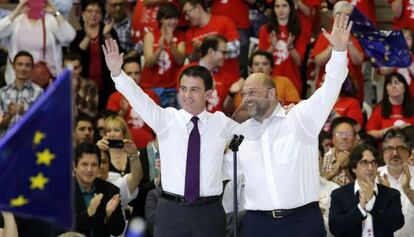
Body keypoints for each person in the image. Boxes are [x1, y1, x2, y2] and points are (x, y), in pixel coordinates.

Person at [232, 12, 352, 236]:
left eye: (253, 93)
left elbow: (330, 88)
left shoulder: (300, 118)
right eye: (244, 93)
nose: (246, 98)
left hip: (302, 221)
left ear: (271, 93)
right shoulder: (240, 135)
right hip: (258, 224)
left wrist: (338, 52)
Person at [103, 38, 235, 236]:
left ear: (208, 94)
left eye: (194, 89)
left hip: (210, 211)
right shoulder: (166, 119)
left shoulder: (221, 122)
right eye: (183, 89)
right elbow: (139, 99)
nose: (187, 95)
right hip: (171, 210)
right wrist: (117, 73)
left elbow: (252, 137)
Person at [329, 143, 404, 237]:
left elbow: (397, 223)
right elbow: (335, 228)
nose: (370, 168)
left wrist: (372, 203)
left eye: (374, 163)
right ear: (353, 168)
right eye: (364, 163)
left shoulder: (391, 194)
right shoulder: (339, 194)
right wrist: (360, 208)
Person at [0, 0, 76, 84]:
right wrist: (16, 12)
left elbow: (69, 37)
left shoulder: (50, 20)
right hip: (19, 80)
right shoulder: (17, 20)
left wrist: (55, 12)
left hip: (47, 79)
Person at [70, 0, 120, 109]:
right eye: (89, 11)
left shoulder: (110, 31)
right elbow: (74, 58)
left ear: (102, 15)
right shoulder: (77, 35)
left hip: (108, 86)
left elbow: (116, 54)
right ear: (83, 14)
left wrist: (106, 34)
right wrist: (88, 37)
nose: (93, 14)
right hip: (84, 88)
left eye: (98, 12)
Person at [73, 141, 125, 237]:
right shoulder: (63, 192)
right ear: (75, 167)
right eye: (84, 164)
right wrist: (88, 214)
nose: (89, 169)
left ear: (98, 167)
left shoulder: (110, 191)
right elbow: (59, 228)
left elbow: (118, 231)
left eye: (94, 165)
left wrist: (109, 215)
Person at [106, 58, 159, 148]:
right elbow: (110, 127)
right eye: (129, 73)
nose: (133, 77)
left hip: (148, 144)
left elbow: (158, 124)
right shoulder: (114, 97)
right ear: (123, 75)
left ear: (141, 75)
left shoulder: (151, 95)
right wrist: (123, 112)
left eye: (136, 73)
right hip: (122, 145)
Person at [258, 0, 309, 93]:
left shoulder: (300, 30)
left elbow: (299, 62)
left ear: (291, 8)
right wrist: (273, 47)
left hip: (292, 80)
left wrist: (290, 47)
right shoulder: (265, 30)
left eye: (284, 6)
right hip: (269, 81)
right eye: (277, 6)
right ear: (273, 9)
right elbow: (261, 60)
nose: (280, 9)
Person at [141, 3, 185, 108]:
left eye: (175, 18)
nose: (173, 21)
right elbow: (149, 63)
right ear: (161, 20)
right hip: (150, 87)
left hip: (172, 88)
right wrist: (160, 49)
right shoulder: (150, 35)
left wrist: (171, 44)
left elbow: (181, 61)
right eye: (168, 18)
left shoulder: (180, 36)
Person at [377, 128, 414, 236]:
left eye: (400, 148)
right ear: (382, 152)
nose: (394, 153)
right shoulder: (373, 175)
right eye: (389, 148)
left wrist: (407, 189)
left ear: (409, 152)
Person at [0, 51, 43, 136]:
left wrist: (25, 113)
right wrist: (9, 115)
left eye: (27, 65)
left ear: (32, 68)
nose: (23, 68)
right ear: (13, 67)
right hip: (6, 145)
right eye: (20, 64)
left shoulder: (40, 92)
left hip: (28, 144)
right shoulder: (2, 92)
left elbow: (42, 124)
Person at [366, 72, 414, 139]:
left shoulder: (412, 106)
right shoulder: (379, 108)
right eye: (390, 84)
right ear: (386, 90)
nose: (393, 86)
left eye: (397, 83)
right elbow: (369, 133)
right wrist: (384, 132)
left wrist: (410, 128)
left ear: (405, 88)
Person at [321, 116, 357, 186]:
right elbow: (315, 187)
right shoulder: (323, 159)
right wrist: (333, 173)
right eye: (340, 134)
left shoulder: (361, 159)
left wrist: (347, 168)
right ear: (333, 138)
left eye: (349, 134)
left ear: (355, 138)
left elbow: (363, 189)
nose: (344, 137)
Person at [63, 52, 98, 118]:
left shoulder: (89, 85)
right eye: (67, 68)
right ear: (62, 68)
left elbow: (92, 113)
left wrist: (75, 93)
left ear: (81, 68)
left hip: (83, 123)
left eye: (75, 68)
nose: (71, 72)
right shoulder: (56, 87)